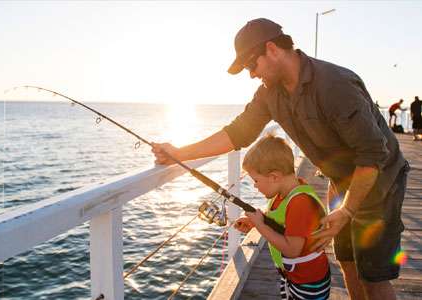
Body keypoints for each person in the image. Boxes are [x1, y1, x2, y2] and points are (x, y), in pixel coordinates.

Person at [152, 18, 408, 299]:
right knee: (347, 264)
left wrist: (346, 211)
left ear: (272, 49)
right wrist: (180, 152)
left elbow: (373, 154)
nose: (251, 74)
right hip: (339, 181)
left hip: (378, 181)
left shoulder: (336, 85)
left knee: (373, 276)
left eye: (252, 65)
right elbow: (237, 133)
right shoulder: (268, 93)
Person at [234, 134, 330, 299]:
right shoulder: (280, 195)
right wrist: (255, 222)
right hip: (292, 277)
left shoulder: (300, 202)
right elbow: (281, 221)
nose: (255, 187)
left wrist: (261, 226)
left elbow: (292, 250)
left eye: (256, 180)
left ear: (274, 177)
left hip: (309, 283)